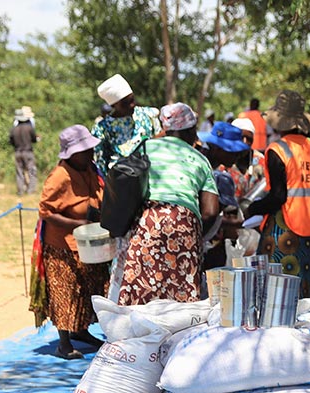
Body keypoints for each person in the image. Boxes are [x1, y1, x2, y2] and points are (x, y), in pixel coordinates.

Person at [117, 103, 219, 305]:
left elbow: (125, 183)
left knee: (142, 289)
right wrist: (195, 236)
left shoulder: (145, 148)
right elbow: (210, 211)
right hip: (185, 223)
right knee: (179, 296)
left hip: (148, 220)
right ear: (191, 130)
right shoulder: (200, 159)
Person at [37, 125, 109, 359]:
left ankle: (81, 330)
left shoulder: (90, 170)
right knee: (65, 291)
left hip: (89, 243)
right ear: (72, 154)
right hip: (63, 245)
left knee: (87, 288)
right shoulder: (60, 176)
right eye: (85, 150)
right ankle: (64, 343)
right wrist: (76, 224)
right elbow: (45, 211)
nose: (90, 153)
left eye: (90, 149)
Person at [245, 90, 310, 297]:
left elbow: (278, 197)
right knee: (308, 285)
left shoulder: (277, 150)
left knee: (278, 290)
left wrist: (253, 208)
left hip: (284, 228)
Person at [198, 121, 251, 269]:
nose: (238, 156)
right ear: (217, 148)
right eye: (233, 151)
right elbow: (210, 215)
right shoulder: (208, 171)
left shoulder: (214, 170)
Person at [91, 73, 161, 177]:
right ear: (113, 105)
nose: (132, 105)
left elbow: (160, 142)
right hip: (121, 181)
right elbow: (101, 163)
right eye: (125, 103)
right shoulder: (102, 129)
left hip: (154, 174)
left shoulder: (148, 115)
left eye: (132, 100)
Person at [9, 106, 39, 195]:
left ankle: (20, 191)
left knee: (19, 172)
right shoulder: (29, 128)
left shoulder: (13, 129)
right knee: (31, 171)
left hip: (17, 152)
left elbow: (11, 142)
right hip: (28, 152)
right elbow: (34, 139)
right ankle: (30, 190)